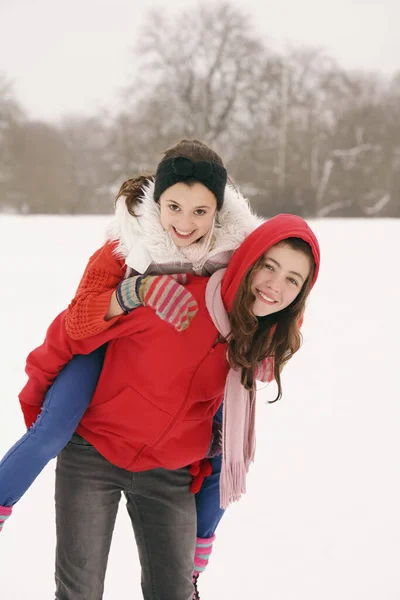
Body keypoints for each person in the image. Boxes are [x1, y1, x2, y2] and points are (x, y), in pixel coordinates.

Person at [10, 213, 320, 599]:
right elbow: (73, 334)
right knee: (79, 593)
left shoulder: (257, 344)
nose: (276, 285)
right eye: (268, 267)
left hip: (169, 473)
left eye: (293, 279)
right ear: (247, 262)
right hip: (93, 454)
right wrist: (43, 411)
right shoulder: (176, 297)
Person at [0, 139, 262, 593]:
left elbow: (274, 298)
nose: (185, 223)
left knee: (176, 585)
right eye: (174, 206)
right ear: (156, 201)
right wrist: (132, 294)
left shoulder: (230, 267)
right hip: (96, 440)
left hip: (170, 461)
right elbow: (78, 322)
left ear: (218, 211)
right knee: (78, 588)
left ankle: (199, 549)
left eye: (201, 212)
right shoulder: (123, 251)